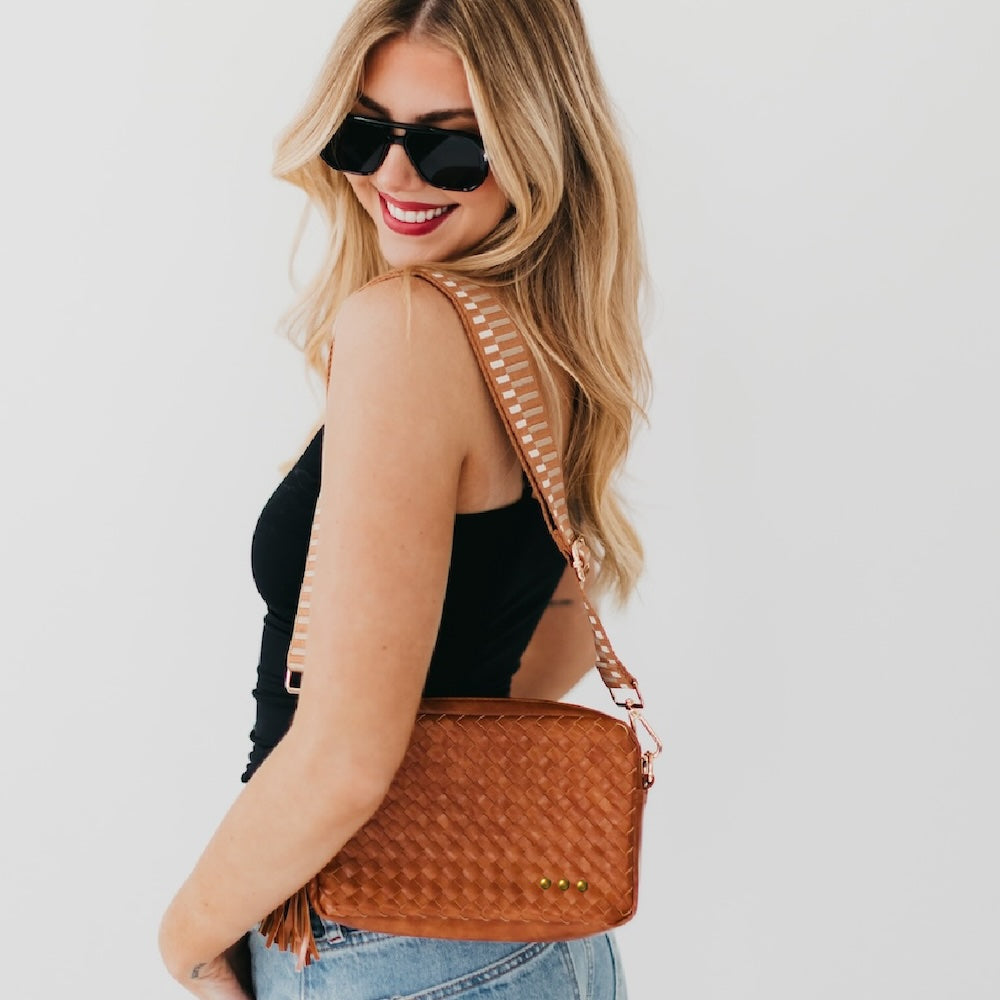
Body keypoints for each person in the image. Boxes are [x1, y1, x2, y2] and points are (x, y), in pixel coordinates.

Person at [158, 0, 650, 997]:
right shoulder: (536, 341)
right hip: (531, 942)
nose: (392, 175)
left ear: (537, 147)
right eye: (363, 132)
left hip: (379, 941)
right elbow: (541, 660)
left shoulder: (407, 329)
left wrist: (189, 933)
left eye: (451, 149)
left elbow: (341, 760)